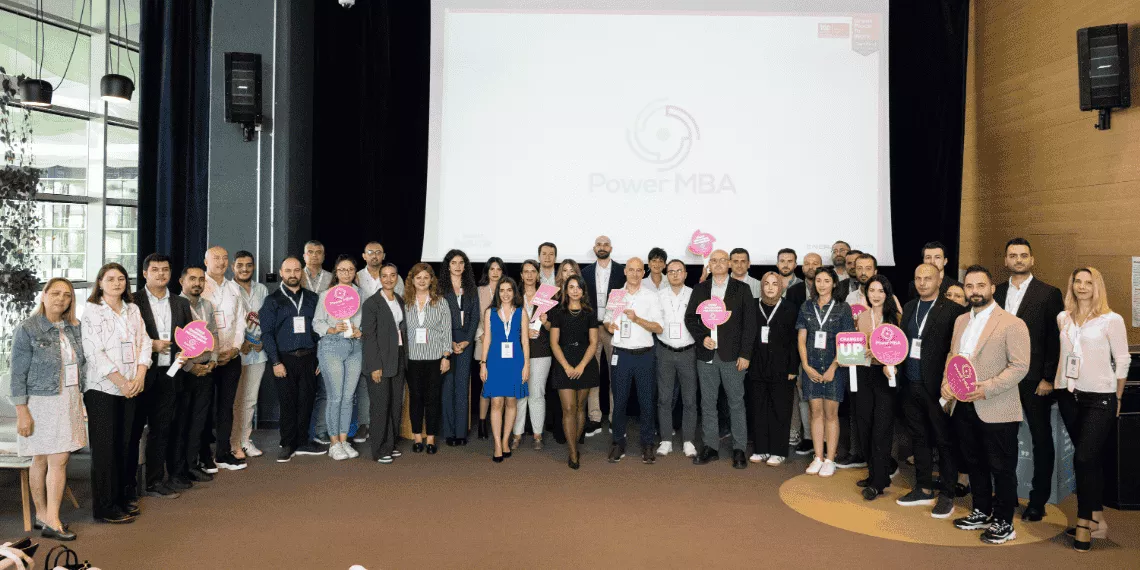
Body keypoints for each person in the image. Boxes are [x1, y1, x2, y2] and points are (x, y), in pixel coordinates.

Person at [942, 265, 1030, 545]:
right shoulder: (960, 321)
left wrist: (987, 388)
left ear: (992, 289)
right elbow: (953, 356)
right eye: (969, 286)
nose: (975, 291)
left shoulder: (1012, 323)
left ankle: (1005, 522)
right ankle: (982, 510)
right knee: (974, 463)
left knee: (1001, 468)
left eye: (981, 285)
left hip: (997, 406)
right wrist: (946, 383)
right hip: (963, 405)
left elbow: (1020, 366)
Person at [1054, 267, 1128, 551]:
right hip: (1069, 396)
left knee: (1083, 458)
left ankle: (1084, 523)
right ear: (1071, 285)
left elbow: (1122, 360)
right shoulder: (1063, 318)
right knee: (1089, 460)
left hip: (1101, 399)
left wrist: (1117, 397)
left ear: (1097, 287)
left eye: (1088, 282)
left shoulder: (1111, 320)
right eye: (1078, 281)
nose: (1082, 286)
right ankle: (1098, 520)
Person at [992, 237, 1064, 522]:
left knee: (1040, 440)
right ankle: (1005, 495)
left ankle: (1038, 500)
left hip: (1035, 381)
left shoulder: (1049, 293)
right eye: (1013, 255)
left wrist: (1048, 378)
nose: (1018, 259)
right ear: (1006, 260)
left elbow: (1055, 340)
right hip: (1000, 378)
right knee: (1001, 439)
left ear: (1032, 260)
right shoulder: (996, 292)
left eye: (1023, 255)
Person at [10, 279, 86, 539]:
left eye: (67, 295)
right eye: (55, 293)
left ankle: (49, 517)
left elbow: (81, 365)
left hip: (68, 399)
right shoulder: (28, 328)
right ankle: (46, 516)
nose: (61, 299)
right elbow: (17, 374)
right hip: (41, 401)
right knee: (42, 458)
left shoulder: (74, 327)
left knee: (57, 458)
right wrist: (22, 411)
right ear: (43, 295)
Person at [81, 263, 152, 524]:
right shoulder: (91, 311)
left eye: (121, 278)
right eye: (110, 279)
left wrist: (140, 376)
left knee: (126, 445)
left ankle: (122, 498)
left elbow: (145, 343)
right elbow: (94, 352)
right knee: (106, 449)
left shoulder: (133, 309)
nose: (116, 283)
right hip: (103, 389)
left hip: (133, 386)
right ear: (100, 283)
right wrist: (121, 382)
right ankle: (105, 507)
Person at [896, 264, 968, 518]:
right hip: (910, 383)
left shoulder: (954, 311)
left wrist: (951, 383)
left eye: (928, 278)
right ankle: (923, 488)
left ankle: (947, 493)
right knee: (919, 439)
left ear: (939, 281)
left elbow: (957, 350)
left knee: (945, 441)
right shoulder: (909, 308)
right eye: (918, 278)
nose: (922, 283)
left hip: (939, 387)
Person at [687, 250, 757, 469]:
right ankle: (710, 447)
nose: (718, 264)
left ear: (729, 264)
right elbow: (690, 318)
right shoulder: (700, 289)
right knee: (708, 403)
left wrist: (745, 354)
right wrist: (702, 338)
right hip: (707, 355)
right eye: (714, 261)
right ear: (709, 264)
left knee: (736, 403)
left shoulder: (742, 289)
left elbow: (750, 325)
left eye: (722, 260)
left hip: (733, 357)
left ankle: (739, 448)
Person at [130, 254, 193, 499]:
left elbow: (188, 337)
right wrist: (150, 345)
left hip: (170, 374)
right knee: (134, 430)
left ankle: (155, 481)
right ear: (145, 273)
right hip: (139, 375)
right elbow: (126, 339)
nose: (161, 274)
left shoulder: (181, 303)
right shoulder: (132, 301)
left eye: (165, 269)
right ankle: (128, 485)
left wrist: (187, 353)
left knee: (162, 429)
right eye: (155, 270)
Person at [261, 256, 326, 462]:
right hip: (284, 359)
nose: (292, 274)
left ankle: (303, 441)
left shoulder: (313, 298)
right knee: (287, 402)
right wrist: (275, 361)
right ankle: (287, 443)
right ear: (281, 273)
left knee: (307, 401)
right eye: (288, 270)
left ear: (302, 272)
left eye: (297, 270)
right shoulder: (272, 300)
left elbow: (319, 329)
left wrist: (320, 358)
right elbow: (266, 334)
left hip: (309, 357)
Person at [602, 258, 664, 464]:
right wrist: (610, 326)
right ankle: (618, 442)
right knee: (619, 401)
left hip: (644, 355)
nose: (635, 274)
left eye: (639, 270)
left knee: (646, 401)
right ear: (625, 271)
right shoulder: (616, 295)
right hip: (621, 355)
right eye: (631, 270)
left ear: (643, 273)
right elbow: (607, 319)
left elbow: (659, 327)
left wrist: (637, 319)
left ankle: (647, 443)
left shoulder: (651, 296)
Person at [795, 266, 855, 477]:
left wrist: (833, 367)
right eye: (818, 280)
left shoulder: (843, 308)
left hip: (833, 369)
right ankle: (818, 457)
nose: (821, 285)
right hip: (811, 367)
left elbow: (847, 341)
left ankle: (830, 459)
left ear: (834, 283)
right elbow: (802, 338)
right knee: (815, 412)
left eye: (826, 281)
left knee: (831, 414)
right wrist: (806, 366)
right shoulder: (806, 306)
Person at [313, 255, 365, 461]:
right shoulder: (326, 295)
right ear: (336, 272)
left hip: (355, 347)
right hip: (332, 346)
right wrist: (332, 329)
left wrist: (360, 331)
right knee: (335, 396)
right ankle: (334, 443)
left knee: (348, 397)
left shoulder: (362, 295)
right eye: (342, 270)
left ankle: (344, 441)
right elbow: (317, 323)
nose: (346, 273)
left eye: (350, 269)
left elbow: (368, 321)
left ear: (355, 272)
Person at [853, 275, 900, 500]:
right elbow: (856, 346)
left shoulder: (895, 317)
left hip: (885, 375)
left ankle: (879, 482)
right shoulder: (862, 317)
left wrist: (883, 355)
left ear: (887, 293)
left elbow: (901, 349)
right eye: (872, 290)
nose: (876, 295)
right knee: (865, 426)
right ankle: (873, 473)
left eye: (881, 291)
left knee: (881, 428)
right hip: (864, 373)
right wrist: (858, 351)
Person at [202, 246, 249, 471]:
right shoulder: (199, 284)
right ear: (206, 261)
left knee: (226, 407)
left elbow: (241, 321)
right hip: (205, 357)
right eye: (216, 258)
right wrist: (213, 352)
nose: (220, 262)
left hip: (230, 356)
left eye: (224, 258)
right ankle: (202, 456)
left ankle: (222, 453)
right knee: (203, 408)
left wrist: (235, 348)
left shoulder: (233, 288)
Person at [173, 267, 220, 488]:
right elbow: (173, 342)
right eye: (192, 279)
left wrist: (213, 360)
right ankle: (179, 468)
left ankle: (193, 465)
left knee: (199, 422)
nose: (197, 283)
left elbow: (214, 334)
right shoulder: (175, 305)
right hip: (184, 372)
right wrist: (191, 367)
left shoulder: (207, 305)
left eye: (201, 279)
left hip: (206, 370)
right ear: (181, 281)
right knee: (182, 422)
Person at [549, 275, 599, 469]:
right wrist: (567, 367)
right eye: (571, 287)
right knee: (568, 408)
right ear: (566, 290)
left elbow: (593, 343)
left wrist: (581, 366)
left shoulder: (590, 313)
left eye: (578, 287)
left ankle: (575, 444)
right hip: (564, 364)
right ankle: (572, 453)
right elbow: (554, 343)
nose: (575, 290)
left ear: (583, 290)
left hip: (585, 364)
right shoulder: (558, 313)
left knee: (579, 407)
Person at [749, 272, 799, 466]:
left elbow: (795, 341)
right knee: (758, 408)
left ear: (781, 287)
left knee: (780, 409)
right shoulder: (753, 306)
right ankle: (761, 449)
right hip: (757, 366)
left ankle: (779, 451)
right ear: (761, 286)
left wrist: (793, 367)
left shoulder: (790, 308)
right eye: (766, 284)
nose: (770, 287)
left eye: (774, 284)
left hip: (782, 367)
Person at [404, 263, 453, 454]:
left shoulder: (441, 302)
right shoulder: (405, 302)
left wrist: (446, 356)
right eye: (418, 278)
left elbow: (446, 331)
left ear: (432, 279)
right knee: (416, 398)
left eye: (426, 277)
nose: (422, 281)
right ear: (412, 280)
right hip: (412, 358)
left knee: (433, 399)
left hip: (435, 358)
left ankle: (431, 438)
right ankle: (417, 437)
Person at [480, 277, 531, 461]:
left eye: (509, 290)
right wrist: (483, 363)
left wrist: (526, 365)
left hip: (515, 362)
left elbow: (525, 341)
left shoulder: (521, 312)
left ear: (514, 292)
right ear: (497, 293)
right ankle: (496, 443)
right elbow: (487, 339)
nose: (505, 294)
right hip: (495, 362)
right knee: (496, 403)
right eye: (502, 290)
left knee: (511, 402)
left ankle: (505, 440)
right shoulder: (490, 312)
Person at [361, 263, 407, 464]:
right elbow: (369, 337)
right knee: (380, 406)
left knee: (395, 404)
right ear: (380, 278)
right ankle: (379, 449)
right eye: (385, 276)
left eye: (392, 275)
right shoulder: (371, 303)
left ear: (397, 277)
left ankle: (390, 443)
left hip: (397, 357)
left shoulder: (399, 300)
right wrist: (374, 366)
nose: (389, 279)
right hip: (379, 360)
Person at [580, 236, 624, 437]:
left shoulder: (622, 271)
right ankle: (594, 417)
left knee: (616, 374)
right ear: (594, 248)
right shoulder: (585, 272)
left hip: (614, 328)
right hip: (592, 328)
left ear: (611, 248)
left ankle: (616, 417)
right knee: (593, 374)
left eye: (606, 244)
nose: (602, 247)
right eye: (599, 244)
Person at [655, 260, 698, 458]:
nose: (674, 274)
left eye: (678, 271)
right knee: (664, 399)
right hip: (664, 351)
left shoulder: (695, 294)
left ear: (685, 274)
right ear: (667, 274)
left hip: (688, 352)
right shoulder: (659, 296)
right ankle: (666, 440)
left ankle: (689, 441)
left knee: (689, 399)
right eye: (671, 271)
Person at [440, 249, 479, 446]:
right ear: (448, 265)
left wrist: (468, 340)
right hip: (446, 340)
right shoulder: (440, 288)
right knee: (448, 386)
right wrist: (449, 342)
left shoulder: (471, 288)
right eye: (454, 263)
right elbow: (438, 317)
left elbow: (475, 316)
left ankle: (461, 432)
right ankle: (449, 432)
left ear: (465, 266)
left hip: (465, 341)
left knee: (462, 386)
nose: (458, 266)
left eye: (461, 263)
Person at [233, 250, 269, 458]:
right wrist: (240, 343)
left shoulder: (261, 289)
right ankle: (233, 442)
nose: (244, 269)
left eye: (248, 265)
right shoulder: (229, 289)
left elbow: (266, 318)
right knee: (234, 400)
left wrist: (262, 340)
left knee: (250, 400)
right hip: (235, 353)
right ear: (233, 267)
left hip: (258, 352)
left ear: (253, 267)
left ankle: (245, 440)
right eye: (240, 265)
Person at [513, 261, 552, 451]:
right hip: (516, 352)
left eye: (533, 271)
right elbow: (506, 324)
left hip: (541, 351)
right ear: (521, 275)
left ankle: (537, 434)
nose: (529, 275)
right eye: (526, 272)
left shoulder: (546, 297)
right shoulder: (513, 297)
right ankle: (517, 433)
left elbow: (554, 328)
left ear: (538, 274)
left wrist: (546, 322)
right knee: (519, 394)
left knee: (537, 393)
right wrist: (523, 332)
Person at [547, 257, 582, 443]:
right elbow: (549, 326)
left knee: (577, 393)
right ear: (560, 273)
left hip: (577, 349)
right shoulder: (551, 295)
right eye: (565, 270)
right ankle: (560, 431)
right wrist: (544, 322)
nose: (568, 274)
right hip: (557, 348)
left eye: (572, 270)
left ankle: (577, 432)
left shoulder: (580, 294)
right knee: (559, 391)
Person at [474, 257, 505, 440]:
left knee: (502, 386)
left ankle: (499, 423)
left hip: (504, 346)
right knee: (487, 385)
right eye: (492, 269)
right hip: (483, 342)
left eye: (498, 269)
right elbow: (474, 318)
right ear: (487, 271)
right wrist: (482, 336)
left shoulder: (507, 290)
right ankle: (482, 422)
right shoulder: (479, 291)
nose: (495, 272)